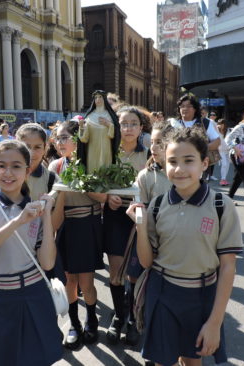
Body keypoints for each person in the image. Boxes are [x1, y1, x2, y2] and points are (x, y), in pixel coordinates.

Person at [127, 127, 242, 366]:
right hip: (162, 292)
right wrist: (140, 226)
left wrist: (214, 322)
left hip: (201, 295)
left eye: (188, 161)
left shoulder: (222, 205)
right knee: (162, 360)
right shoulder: (158, 206)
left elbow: (228, 267)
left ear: (204, 163)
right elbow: (147, 262)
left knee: (192, 360)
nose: (179, 169)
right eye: (172, 162)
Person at [0, 140, 62, 366]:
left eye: (17, 166)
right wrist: (18, 221)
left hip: (34, 293)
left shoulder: (35, 207)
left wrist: (46, 215)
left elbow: (47, 263)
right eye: (1, 166)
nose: (8, 173)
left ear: (27, 171)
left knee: (36, 359)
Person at [49, 121, 106, 349]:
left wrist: (80, 182)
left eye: (65, 138)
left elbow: (102, 198)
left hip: (87, 224)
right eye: (58, 138)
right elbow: (52, 207)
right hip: (65, 227)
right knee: (69, 281)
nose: (60, 142)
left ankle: (91, 320)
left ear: (78, 139)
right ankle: (74, 324)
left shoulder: (92, 164)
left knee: (87, 282)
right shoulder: (54, 166)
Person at [102, 106, 149, 346]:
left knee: (135, 273)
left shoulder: (149, 154)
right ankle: (119, 316)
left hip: (140, 217)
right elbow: (99, 180)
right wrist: (108, 196)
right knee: (116, 271)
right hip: (114, 215)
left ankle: (132, 319)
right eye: (124, 123)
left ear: (141, 128)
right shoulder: (108, 152)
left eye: (133, 123)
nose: (128, 128)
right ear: (116, 127)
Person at [170, 95, 221, 180]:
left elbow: (217, 141)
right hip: (179, 164)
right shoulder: (173, 124)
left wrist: (200, 148)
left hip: (199, 164)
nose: (185, 108)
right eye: (182, 106)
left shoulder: (205, 123)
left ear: (195, 109)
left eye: (189, 106)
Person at [78, 90, 121, 174]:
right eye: (96, 97)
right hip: (92, 148)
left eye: (100, 97)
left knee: (105, 169)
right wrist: (81, 127)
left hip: (106, 148)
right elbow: (84, 139)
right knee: (92, 169)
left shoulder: (109, 115)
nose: (98, 99)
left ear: (104, 99)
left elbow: (113, 136)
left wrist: (109, 125)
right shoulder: (89, 116)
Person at [215, 119, 230, 186]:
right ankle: (222, 179)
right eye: (220, 124)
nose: (221, 125)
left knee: (227, 164)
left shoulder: (228, 131)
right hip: (220, 150)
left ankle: (224, 179)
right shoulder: (216, 130)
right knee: (224, 164)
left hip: (228, 150)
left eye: (222, 124)